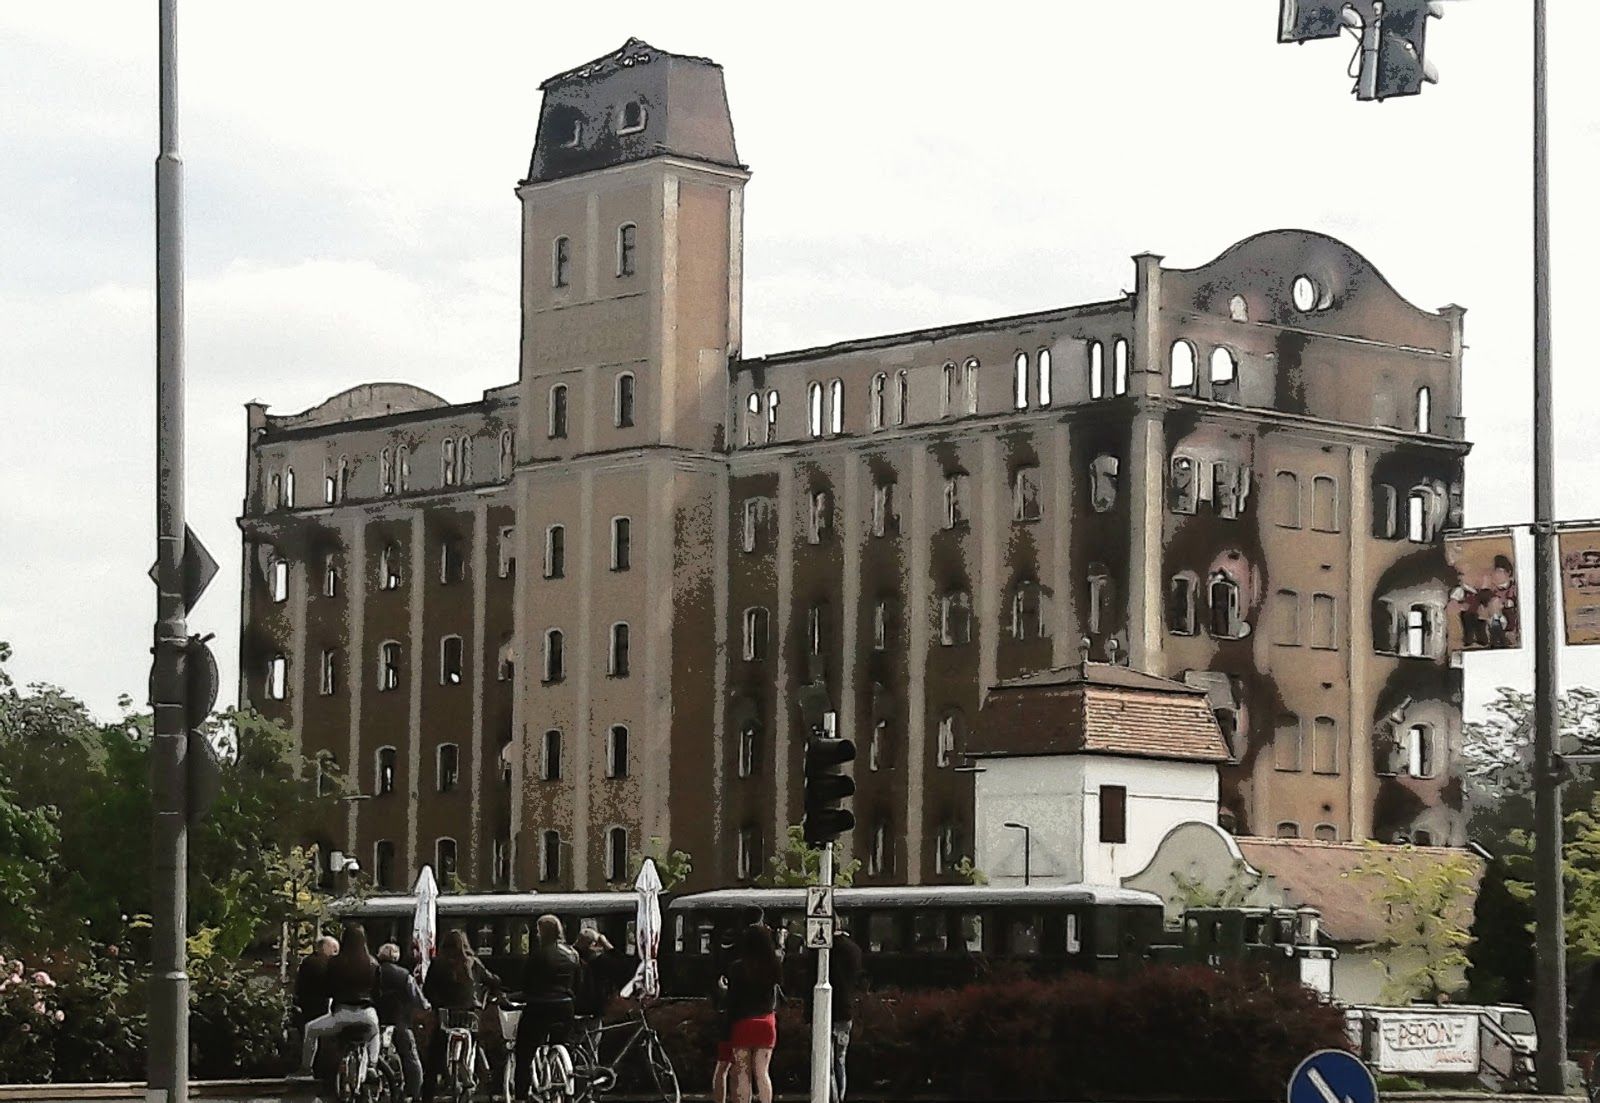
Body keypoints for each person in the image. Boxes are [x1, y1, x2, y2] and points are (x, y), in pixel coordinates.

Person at [422, 929, 499, 1103]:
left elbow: (427, 990)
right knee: (476, 1045)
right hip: (470, 1017)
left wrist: (437, 1004)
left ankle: (427, 1095)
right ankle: (483, 1080)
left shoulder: (438, 963)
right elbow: (493, 980)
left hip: (446, 1017)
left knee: (434, 1056)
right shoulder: (473, 963)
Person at [297, 926, 381, 1084]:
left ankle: (306, 1069)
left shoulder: (335, 963)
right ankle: (372, 1064)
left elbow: (327, 987)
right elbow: (378, 992)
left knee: (310, 1029)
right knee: (375, 1033)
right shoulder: (372, 963)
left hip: (341, 1014)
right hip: (366, 1013)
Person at [513, 914, 580, 1102]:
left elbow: (526, 985)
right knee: (565, 1044)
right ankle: (566, 1077)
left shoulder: (539, 955)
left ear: (543, 932)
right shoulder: (572, 954)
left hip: (539, 1007)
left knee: (524, 1053)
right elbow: (578, 984)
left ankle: (520, 1097)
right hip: (566, 1006)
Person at [723, 924, 780, 1103]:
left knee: (742, 1073)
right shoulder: (773, 965)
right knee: (763, 1073)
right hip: (766, 1022)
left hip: (742, 1023)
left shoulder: (737, 968)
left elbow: (732, 999)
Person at [814, 925, 863, 1103]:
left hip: (825, 1011)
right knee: (840, 1059)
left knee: (826, 1061)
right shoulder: (854, 949)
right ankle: (840, 1097)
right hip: (845, 1011)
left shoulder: (821, 950)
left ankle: (832, 1098)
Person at [377, 942, 430, 1103]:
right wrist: (426, 1006)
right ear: (396, 957)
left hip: (378, 1020)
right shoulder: (404, 975)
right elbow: (418, 999)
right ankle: (415, 1093)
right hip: (400, 1021)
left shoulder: (374, 972)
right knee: (410, 1057)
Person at [708, 927, 738, 1103]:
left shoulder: (719, 960)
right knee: (737, 1067)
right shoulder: (740, 963)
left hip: (726, 1016)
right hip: (739, 1016)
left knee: (723, 1065)